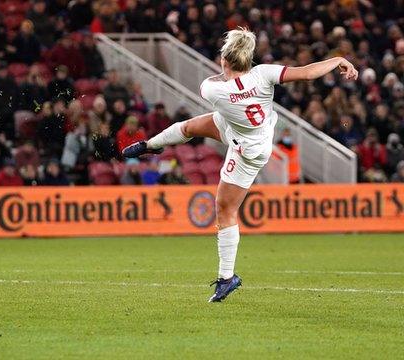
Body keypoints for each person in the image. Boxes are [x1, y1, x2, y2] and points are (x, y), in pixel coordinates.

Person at [122, 28, 358, 302]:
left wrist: (228, 70)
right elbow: (306, 72)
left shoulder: (213, 89)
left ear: (224, 59)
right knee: (189, 127)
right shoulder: (264, 73)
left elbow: (219, 80)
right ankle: (151, 145)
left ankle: (227, 277)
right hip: (247, 128)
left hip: (247, 149)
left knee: (224, 208)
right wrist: (338, 59)